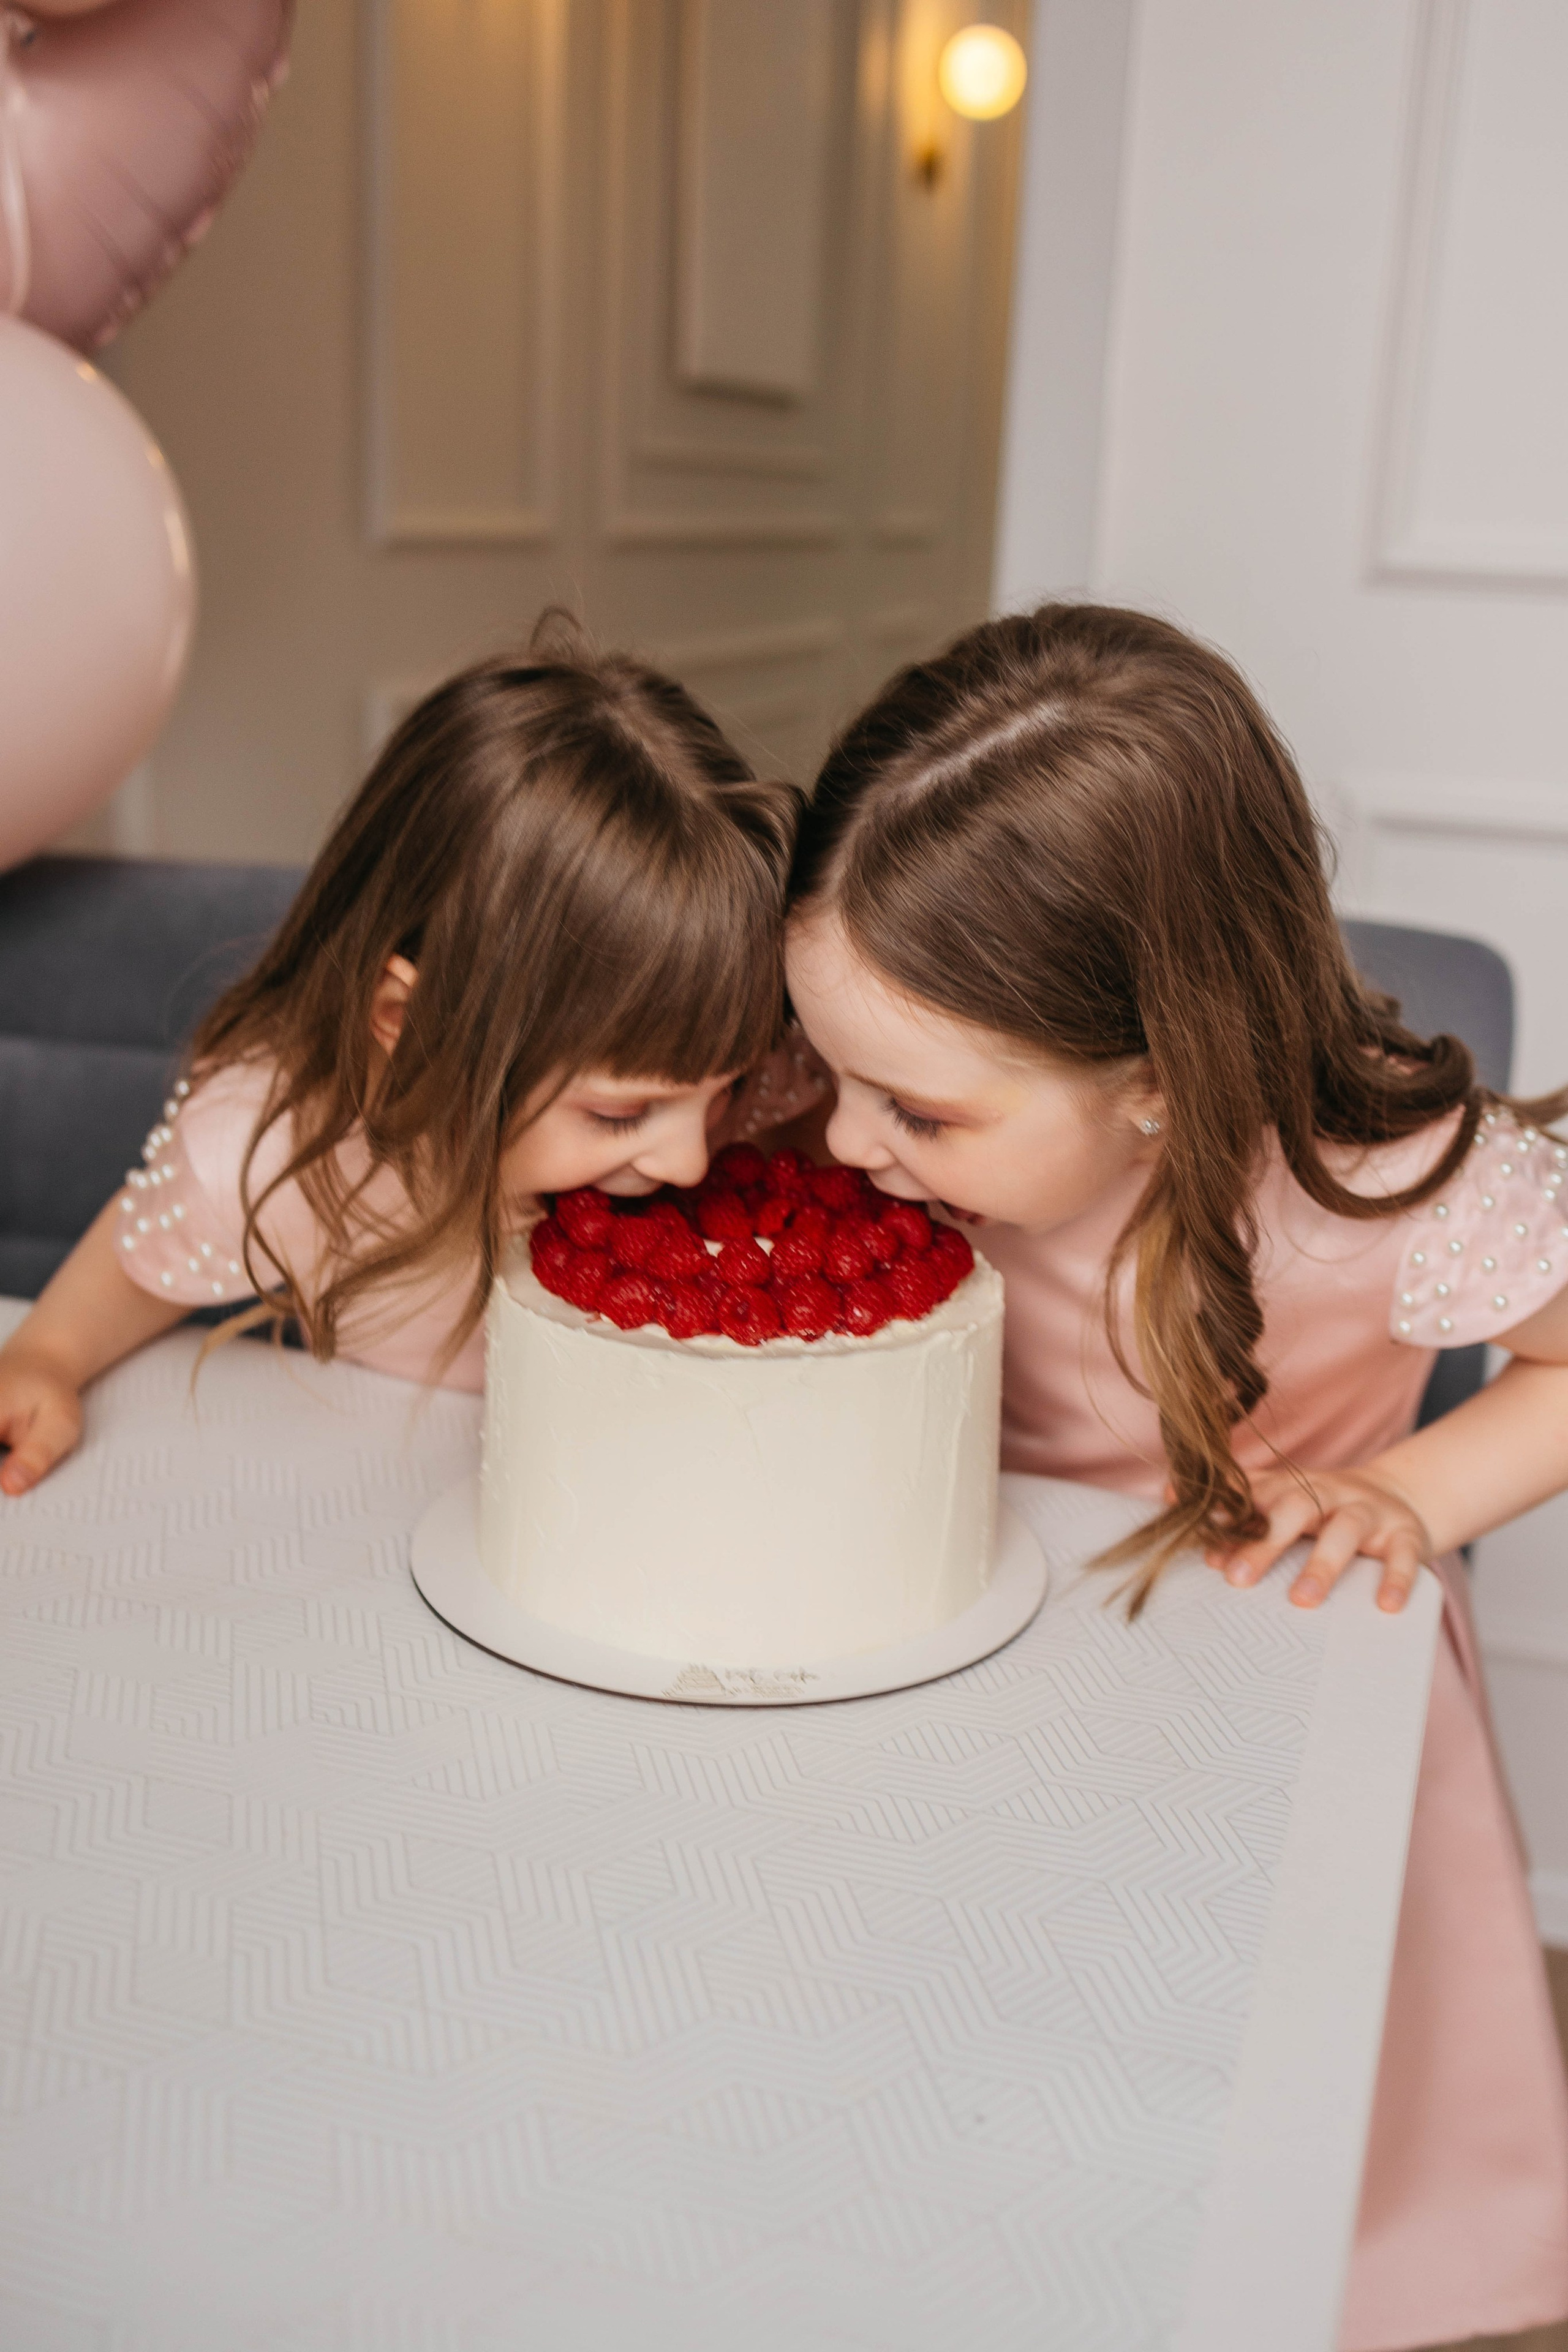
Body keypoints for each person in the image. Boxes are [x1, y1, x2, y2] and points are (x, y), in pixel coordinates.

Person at [785, 602, 1568, 2351]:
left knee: (1251, 2153)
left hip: (1271, 1697)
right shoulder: (889, 1088)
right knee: (969, 2138)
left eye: (912, 1110)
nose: (844, 1140)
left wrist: (1417, 1497)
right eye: (829, 1072)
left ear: (1151, 1080)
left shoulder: (1391, 1182)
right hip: (971, 1667)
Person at [0, 620, 821, 1490]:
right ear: (409, 1018)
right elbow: (138, 1268)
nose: (691, 1157)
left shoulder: (752, 1079)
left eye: (725, 1090)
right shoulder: (270, 1154)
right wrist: (48, 1356)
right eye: (620, 1111)